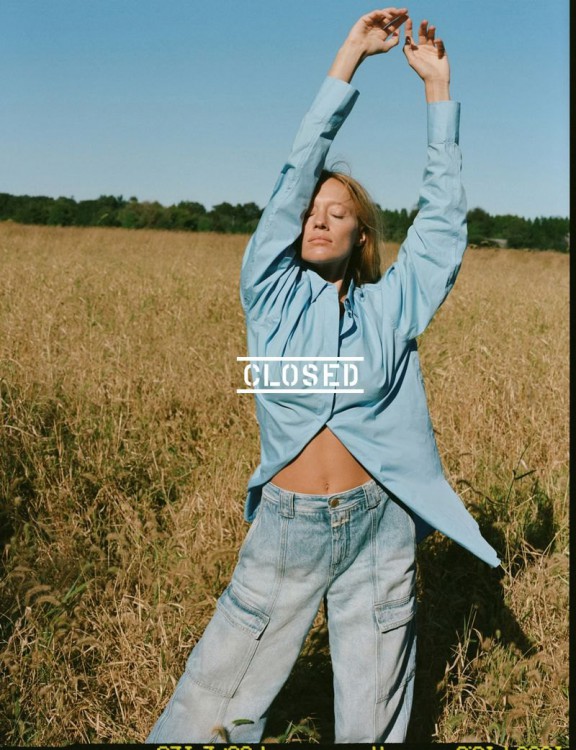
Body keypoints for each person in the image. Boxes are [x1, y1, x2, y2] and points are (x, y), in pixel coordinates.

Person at [146, 7, 500, 744]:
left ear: (360, 234)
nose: (316, 219)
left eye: (337, 213)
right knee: (214, 703)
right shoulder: (268, 293)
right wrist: (350, 56)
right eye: (311, 211)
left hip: (381, 520)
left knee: (375, 716)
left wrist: (437, 92)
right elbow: (295, 171)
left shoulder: (387, 309)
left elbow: (440, 229)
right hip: (290, 527)